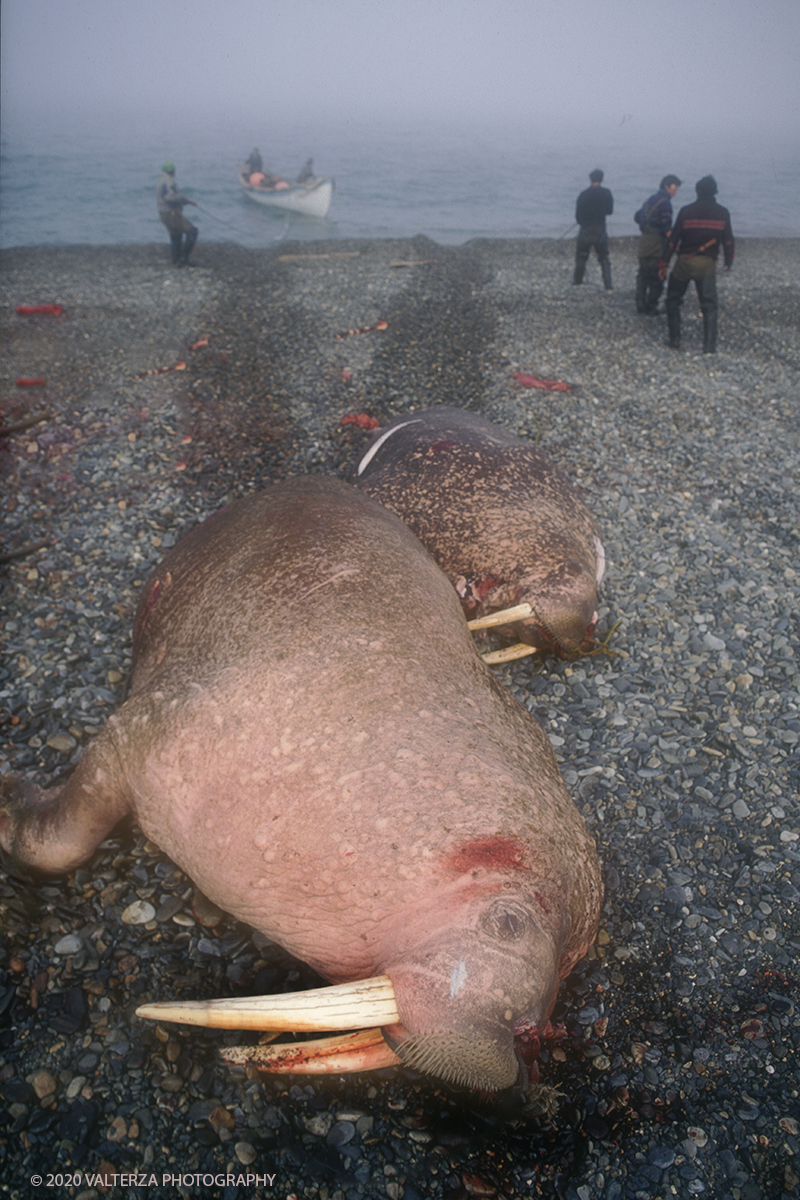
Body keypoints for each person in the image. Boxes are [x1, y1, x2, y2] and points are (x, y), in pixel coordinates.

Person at [660, 175, 734, 353]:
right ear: (715, 192)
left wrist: (664, 263)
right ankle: (709, 347)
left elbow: (673, 240)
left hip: (685, 262)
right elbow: (728, 241)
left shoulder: (686, 211)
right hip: (707, 264)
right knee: (709, 305)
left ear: (698, 192)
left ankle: (675, 340)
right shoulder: (723, 213)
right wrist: (728, 261)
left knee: (673, 300)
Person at [634, 174, 682, 314]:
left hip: (644, 241)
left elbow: (637, 216)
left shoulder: (651, 199)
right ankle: (651, 307)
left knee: (643, 274)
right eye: (675, 187)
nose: (676, 191)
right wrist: (676, 246)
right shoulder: (665, 203)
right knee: (657, 277)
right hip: (657, 244)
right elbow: (667, 229)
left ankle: (640, 304)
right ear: (666, 186)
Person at [573, 169, 614, 290]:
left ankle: (577, 282)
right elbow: (610, 211)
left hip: (586, 229)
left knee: (581, 256)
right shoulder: (607, 193)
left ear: (590, 179)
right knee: (603, 257)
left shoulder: (584, 194)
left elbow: (578, 215)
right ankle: (608, 284)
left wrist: (583, 222)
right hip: (600, 229)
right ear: (601, 179)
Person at [155, 162, 198, 266]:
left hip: (163, 214)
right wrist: (186, 200)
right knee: (192, 231)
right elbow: (169, 197)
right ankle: (183, 258)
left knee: (176, 235)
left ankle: (176, 260)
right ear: (172, 171)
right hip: (171, 214)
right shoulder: (168, 181)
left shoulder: (161, 180)